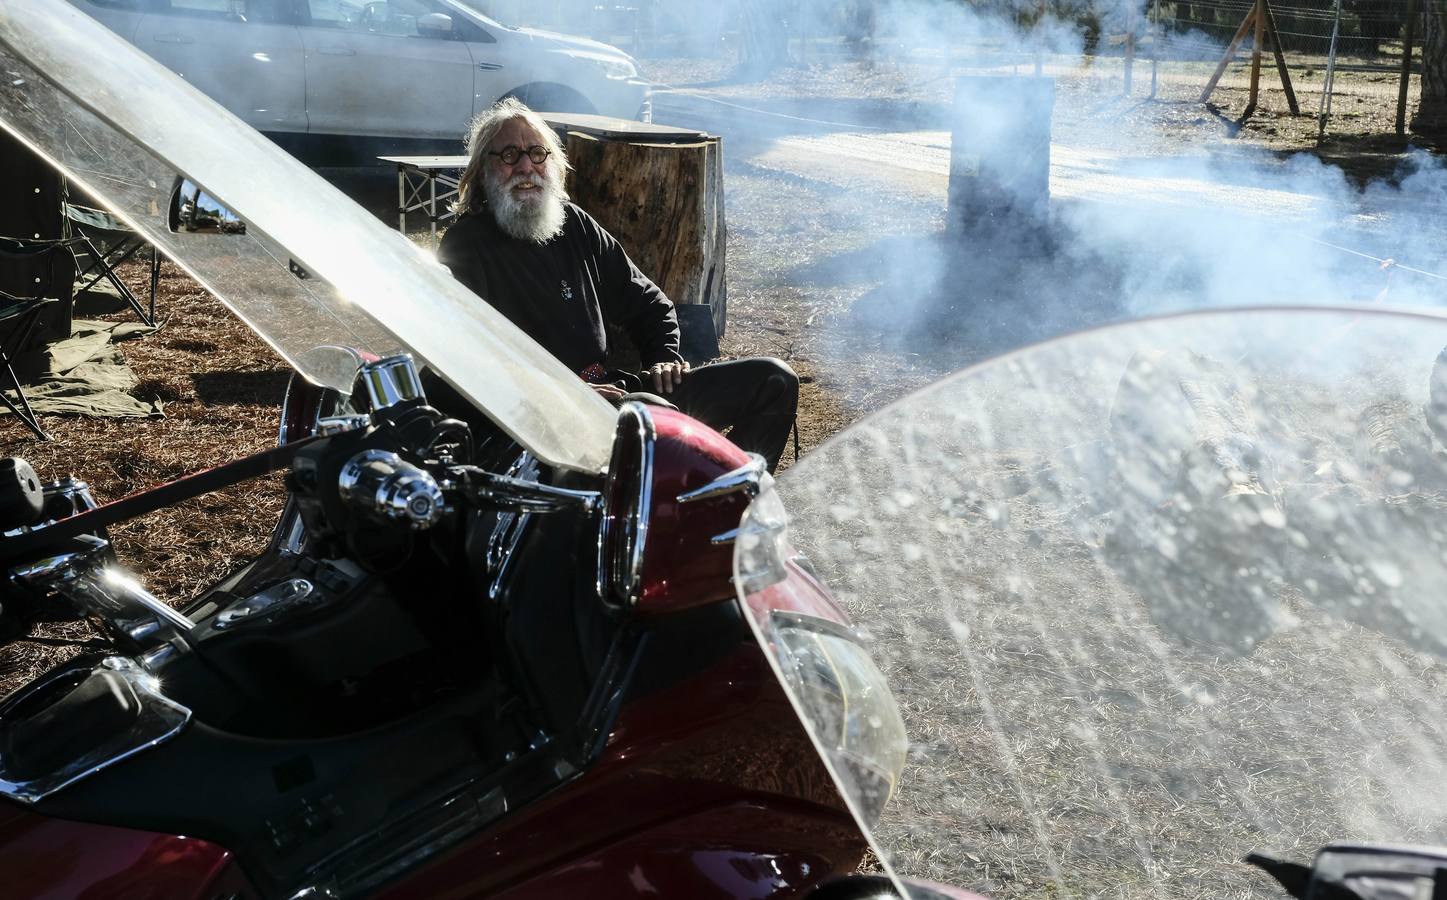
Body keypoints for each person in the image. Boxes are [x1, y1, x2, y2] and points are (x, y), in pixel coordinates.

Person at [437, 98, 799, 472]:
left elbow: (648, 303)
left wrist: (663, 356)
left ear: (553, 164)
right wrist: (563, 394)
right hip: (543, 418)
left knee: (773, 380)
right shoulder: (466, 245)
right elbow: (468, 359)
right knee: (656, 418)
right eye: (509, 155)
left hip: (614, 391)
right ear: (482, 171)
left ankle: (735, 509)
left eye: (537, 153)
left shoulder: (573, 224)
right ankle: (690, 514)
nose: (526, 166)